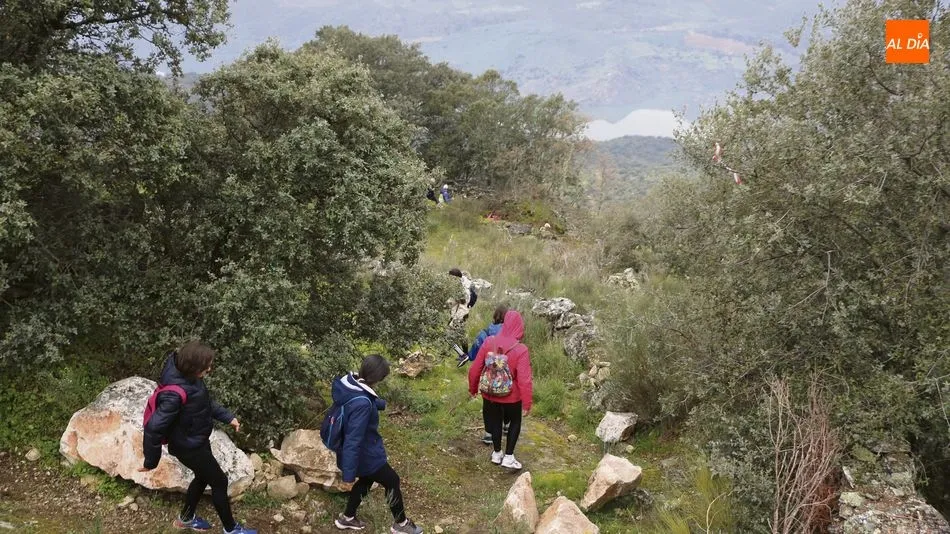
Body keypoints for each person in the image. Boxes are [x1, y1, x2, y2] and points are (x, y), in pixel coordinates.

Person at [140, 341, 257, 534]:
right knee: (219, 481)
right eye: (206, 366)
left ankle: (186, 519)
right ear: (193, 367)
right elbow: (153, 428)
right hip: (188, 447)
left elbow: (203, 402)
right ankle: (231, 529)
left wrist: (228, 417)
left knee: (203, 477)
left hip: (197, 440)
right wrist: (151, 461)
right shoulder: (173, 394)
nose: (209, 369)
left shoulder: (190, 378)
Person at [332, 354, 423, 534]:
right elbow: (353, 438)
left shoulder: (352, 385)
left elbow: (362, 400)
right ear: (377, 377)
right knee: (392, 480)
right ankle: (401, 524)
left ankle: (347, 518)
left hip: (359, 452)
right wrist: (348, 475)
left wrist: (379, 404)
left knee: (366, 480)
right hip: (366, 454)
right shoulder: (364, 404)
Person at [468, 310, 533, 470]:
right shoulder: (521, 349)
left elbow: (475, 368)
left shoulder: (489, 341)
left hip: (489, 392)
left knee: (495, 421)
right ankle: (509, 457)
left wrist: (473, 388)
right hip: (512, 396)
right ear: (519, 326)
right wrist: (526, 403)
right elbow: (524, 379)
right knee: (515, 421)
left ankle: (497, 453)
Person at [457, 305, 512, 445]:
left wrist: (467, 356)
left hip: (489, 377)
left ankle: (488, 434)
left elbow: (475, 354)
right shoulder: (512, 334)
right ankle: (506, 424)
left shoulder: (485, 333)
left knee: (488, 404)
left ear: (494, 317)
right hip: (506, 376)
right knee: (506, 400)